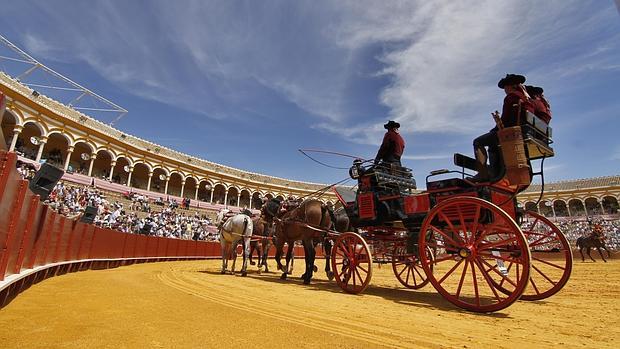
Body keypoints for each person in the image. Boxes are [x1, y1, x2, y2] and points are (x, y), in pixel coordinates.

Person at [472, 74, 535, 181]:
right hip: (525, 131)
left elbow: (505, 119)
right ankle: (494, 172)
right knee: (492, 144)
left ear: (510, 86)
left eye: (505, 87)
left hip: (512, 133)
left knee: (478, 142)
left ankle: (483, 174)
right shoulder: (527, 98)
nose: (505, 90)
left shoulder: (511, 97)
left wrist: (494, 130)